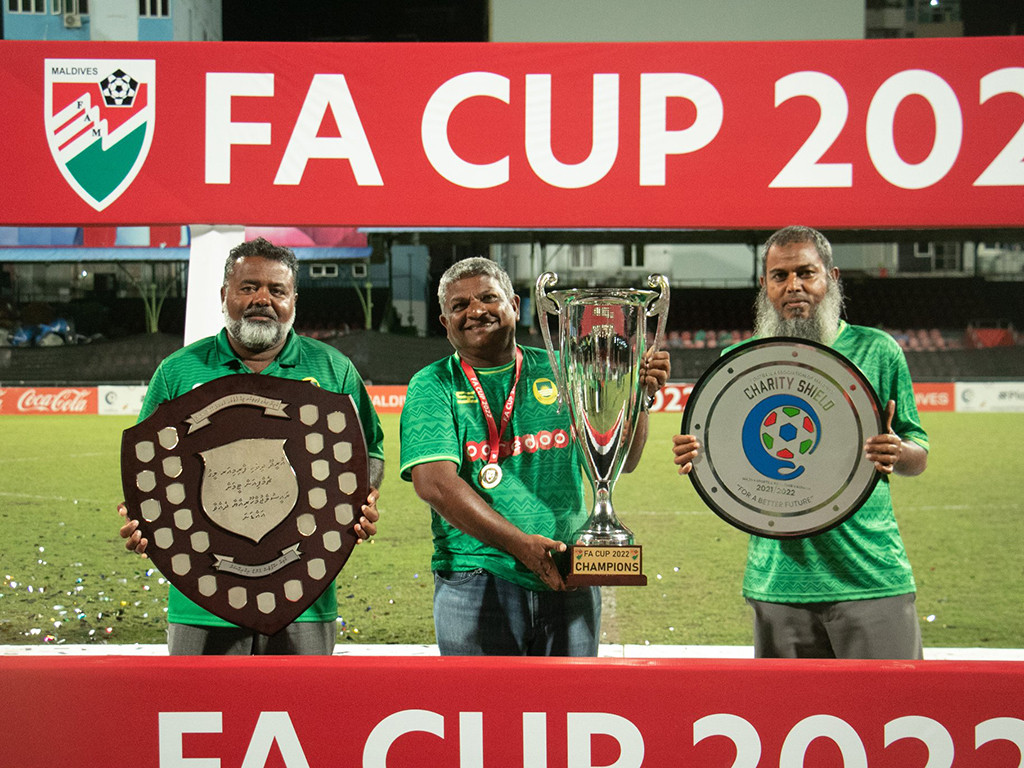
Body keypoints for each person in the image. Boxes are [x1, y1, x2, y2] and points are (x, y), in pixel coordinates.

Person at [118, 237, 385, 655]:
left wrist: (358, 501)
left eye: (277, 290)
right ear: (224, 294)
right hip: (200, 599)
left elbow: (369, 451)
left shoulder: (333, 368)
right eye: (249, 287)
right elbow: (145, 465)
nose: (263, 299)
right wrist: (144, 519)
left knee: (301, 698)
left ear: (293, 300)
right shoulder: (178, 371)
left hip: (305, 594)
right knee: (203, 699)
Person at [673, 225, 929, 659]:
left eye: (806, 273)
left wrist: (899, 452)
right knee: (784, 706)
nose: (794, 286)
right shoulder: (738, 364)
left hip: (870, 577)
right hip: (777, 584)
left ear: (831, 277)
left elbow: (918, 451)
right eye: (780, 275)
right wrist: (699, 456)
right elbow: (726, 461)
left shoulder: (877, 350)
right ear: (765, 285)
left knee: (890, 702)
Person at [399, 257, 670, 656]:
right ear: (445, 321)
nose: (476, 311)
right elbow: (434, 483)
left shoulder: (562, 370)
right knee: (481, 698)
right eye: (460, 305)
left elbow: (621, 460)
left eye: (488, 298)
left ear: (515, 305)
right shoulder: (433, 383)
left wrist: (640, 397)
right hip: (477, 576)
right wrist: (520, 545)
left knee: (570, 696)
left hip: (567, 571)